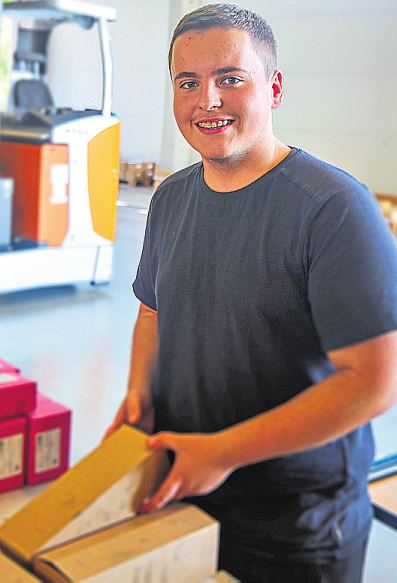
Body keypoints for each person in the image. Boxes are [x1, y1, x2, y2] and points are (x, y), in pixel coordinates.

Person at [105, 4, 397, 582]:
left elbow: (374, 381)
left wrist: (224, 452)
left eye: (230, 79)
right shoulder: (171, 199)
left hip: (295, 521)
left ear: (275, 88)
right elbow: (151, 309)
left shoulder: (333, 209)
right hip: (185, 486)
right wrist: (139, 394)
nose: (207, 100)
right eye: (188, 82)